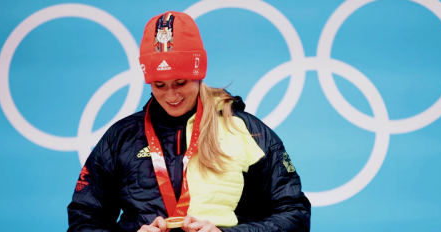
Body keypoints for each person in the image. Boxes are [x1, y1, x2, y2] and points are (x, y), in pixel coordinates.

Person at [67, 11, 311, 232]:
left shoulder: (247, 130)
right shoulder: (121, 137)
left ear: (198, 73)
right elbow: (84, 220)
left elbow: (295, 215)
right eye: (159, 85)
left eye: (181, 83)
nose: (171, 96)